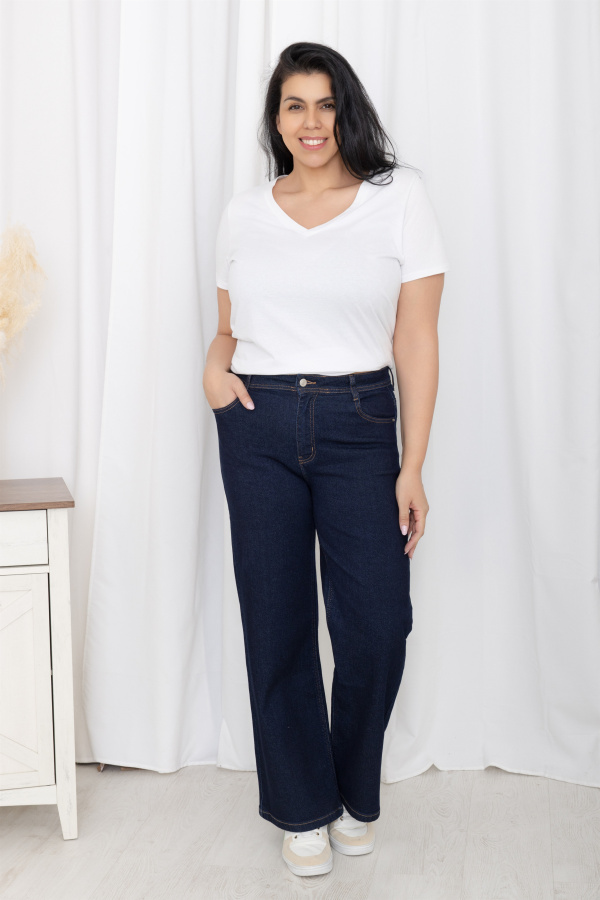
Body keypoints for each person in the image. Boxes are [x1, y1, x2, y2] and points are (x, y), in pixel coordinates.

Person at [203, 41, 449, 878]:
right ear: (276, 120)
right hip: (257, 422)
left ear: (347, 110)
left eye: (326, 103)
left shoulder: (398, 197)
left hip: (359, 420)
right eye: (294, 105)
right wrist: (213, 369)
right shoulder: (245, 213)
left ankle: (351, 788)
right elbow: (228, 328)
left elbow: (417, 338)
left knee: (377, 625)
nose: (311, 122)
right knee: (275, 621)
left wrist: (411, 464)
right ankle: (302, 808)